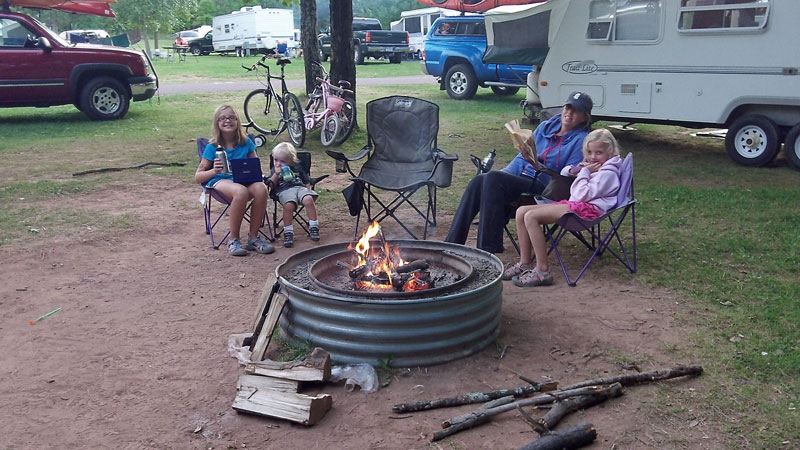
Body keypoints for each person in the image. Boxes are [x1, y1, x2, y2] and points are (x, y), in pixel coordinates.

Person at [444, 91, 594, 253]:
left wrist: (538, 167)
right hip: (522, 181)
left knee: (493, 178)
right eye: (567, 107)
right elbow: (520, 159)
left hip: (546, 187)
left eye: (575, 110)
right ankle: (452, 244)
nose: (569, 112)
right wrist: (502, 174)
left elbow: (565, 176)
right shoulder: (546, 127)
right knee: (479, 180)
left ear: (584, 118)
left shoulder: (581, 140)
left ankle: (488, 249)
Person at [506, 128, 623, 286]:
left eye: (598, 153)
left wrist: (584, 173)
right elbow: (564, 173)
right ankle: (525, 263)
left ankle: (542, 270)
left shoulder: (608, 174)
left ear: (610, 152)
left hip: (588, 210)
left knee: (531, 216)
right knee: (521, 211)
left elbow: (581, 194)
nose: (592, 157)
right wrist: (574, 170)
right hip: (576, 205)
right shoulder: (596, 167)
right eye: (589, 152)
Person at [195, 105, 274, 256]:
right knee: (240, 191)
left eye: (232, 117)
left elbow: (254, 166)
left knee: (261, 188)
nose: (228, 121)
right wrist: (214, 170)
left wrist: (259, 176)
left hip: (244, 180)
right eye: (223, 118)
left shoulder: (246, 143)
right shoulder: (212, 147)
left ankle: (253, 238)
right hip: (220, 182)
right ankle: (233, 239)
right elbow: (198, 177)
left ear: (237, 121)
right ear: (217, 122)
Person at [266, 142, 320, 248]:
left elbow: (306, 180)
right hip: (284, 191)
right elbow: (271, 185)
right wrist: (276, 174)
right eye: (276, 160)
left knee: (308, 199)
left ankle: (313, 226)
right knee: (289, 205)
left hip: (300, 188)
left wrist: (307, 190)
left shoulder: (297, 168)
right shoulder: (274, 170)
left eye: (283, 161)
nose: (278, 163)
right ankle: (288, 232)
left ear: (291, 161)